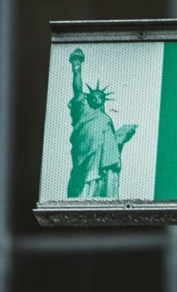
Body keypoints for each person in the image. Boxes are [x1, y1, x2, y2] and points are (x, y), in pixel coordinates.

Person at [66, 48, 137, 199]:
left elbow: (112, 144)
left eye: (100, 96)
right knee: (85, 175)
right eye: (93, 95)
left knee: (105, 175)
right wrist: (76, 68)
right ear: (88, 98)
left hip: (105, 156)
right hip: (85, 149)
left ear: (103, 101)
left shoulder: (106, 118)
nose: (97, 97)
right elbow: (78, 90)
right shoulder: (83, 109)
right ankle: (84, 194)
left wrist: (121, 136)